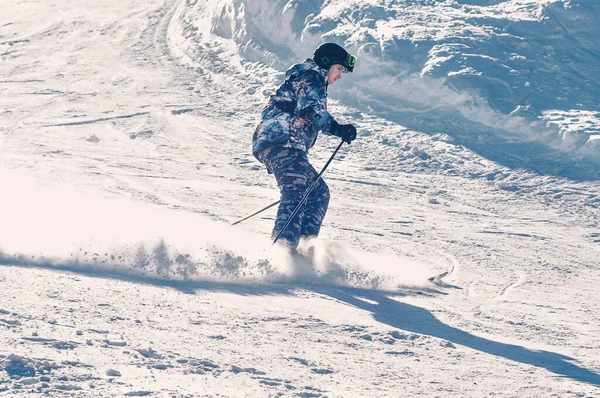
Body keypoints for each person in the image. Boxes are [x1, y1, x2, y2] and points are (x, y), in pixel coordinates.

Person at [252, 42, 358, 253]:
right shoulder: (309, 78)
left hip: (288, 145)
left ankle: (303, 248)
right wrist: (337, 128)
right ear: (326, 63)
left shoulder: (314, 81)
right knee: (298, 187)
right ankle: (282, 251)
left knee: (318, 192)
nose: (339, 76)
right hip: (280, 142)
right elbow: (310, 110)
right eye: (339, 69)